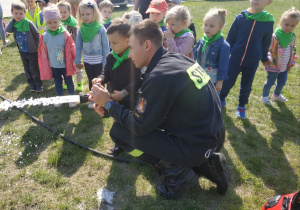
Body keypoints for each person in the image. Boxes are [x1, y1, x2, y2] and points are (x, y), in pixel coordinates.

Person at [89, 19, 231, 199]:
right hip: (212, 137)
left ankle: (176, 171)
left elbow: (138, 125)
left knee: (119, 133)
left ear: (147, 45)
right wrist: (110, 106)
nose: (130, 55)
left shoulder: (159, 75)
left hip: (195, 145)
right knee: (131, 125)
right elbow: (154, 107)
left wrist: (109, 103)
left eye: (132, 48)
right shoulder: (174, 59)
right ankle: (204, 162)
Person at [93, 18, 143, 155]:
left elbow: (138, 80)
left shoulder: (133, 57)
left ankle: (137, 148)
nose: (111, 46)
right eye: (110, 42)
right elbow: (106, 72)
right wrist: (100, 79)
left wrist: (124, 93)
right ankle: (119, 144)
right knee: (118, 122)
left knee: (131, 123)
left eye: (114, 42)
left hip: (131, 98)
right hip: (115, 97)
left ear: (128, 40)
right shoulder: (111, 56)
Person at [219, 0, 274, 119]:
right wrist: (224, 55)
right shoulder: (240, 18)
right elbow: (230, 39)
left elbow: (265, 43)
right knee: (227, 81)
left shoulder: (268, 22)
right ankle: (221, 97)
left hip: (252, 62)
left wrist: (264, 58)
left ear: (269, 2)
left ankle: (241, 106)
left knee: (246, 85)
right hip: (235, 59)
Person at [38, 5, 77, 108]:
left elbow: (72, 47)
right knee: (57, 82)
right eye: (50, 23)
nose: (53, 25)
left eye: (55, 22)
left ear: (59, 20)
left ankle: (72, 99)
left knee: (69, 81)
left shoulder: (65, 34)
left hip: (66, 65)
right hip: (54, 65)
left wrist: (76, 59)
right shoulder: (45, 36)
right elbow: (43, 52)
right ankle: (60, 98)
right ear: (46, 23)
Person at [75, 0, 110, 109]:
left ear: (94, 13)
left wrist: (106, 62)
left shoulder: (101, 29)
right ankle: (93, 99)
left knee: (99, 81)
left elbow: (106, 47)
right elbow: (78, 45)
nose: (85, 17)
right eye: (82, 14)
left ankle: (102, 100)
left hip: (99, 60)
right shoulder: (81, 29)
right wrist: (77, 60)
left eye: (88, 14)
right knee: (91, 79)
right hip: (87, 60)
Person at [261, 8, 299, 104]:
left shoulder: (292, 36)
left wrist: (293, 60)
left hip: (285, 66)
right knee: (270, 82)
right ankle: (264, 97)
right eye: (286, 24)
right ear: (281, 22)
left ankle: (276, 95)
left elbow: (293, 49)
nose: (289, 27)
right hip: (274, 65)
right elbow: (267, 49)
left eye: (292, 25)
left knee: (282, 82)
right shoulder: (274, 36)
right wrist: (267, 58)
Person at [6, 1, 43, 93]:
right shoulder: (14, 24)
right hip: (22, 51)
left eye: (21, 13)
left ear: (24, 13)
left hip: (32, 51)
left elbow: (36, 34)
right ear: (12, 13)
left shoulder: (29, 23)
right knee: (27, 69)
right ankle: (32, 84)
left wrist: (41, 46)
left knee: (34, 68)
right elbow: (7, 29)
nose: (18, 16)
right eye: (15, 13)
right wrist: (13, 20)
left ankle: (38, 84)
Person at [193, 8, 230, 92]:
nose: (207, 28)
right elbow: (193, 54)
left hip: (212, 80)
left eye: (211, 26)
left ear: (220, 27)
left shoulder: (223, 46)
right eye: (206, 25)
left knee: (211, 97)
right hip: (200, 76)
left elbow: (223, 66)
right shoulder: (202, 41)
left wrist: (220, 81)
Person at [58, 0, 84, 92]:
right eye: (60, 12)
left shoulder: (74, 24)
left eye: (65, 12)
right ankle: (68, 81)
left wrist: (78, 49)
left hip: (74, 49)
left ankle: (79, 82)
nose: (62, 14)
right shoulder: (57, 24)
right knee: (65, 66)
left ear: (70, 12)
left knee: (77, 65)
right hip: (62, 50)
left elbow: (79, 38)